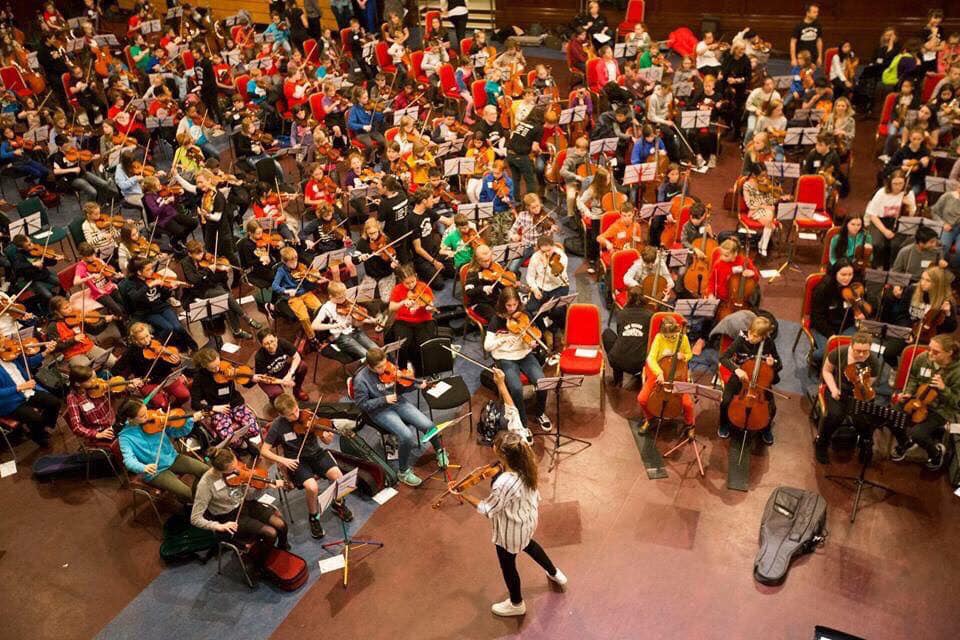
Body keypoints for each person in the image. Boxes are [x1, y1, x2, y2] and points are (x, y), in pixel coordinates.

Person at [454, 429, 567, 617]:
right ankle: (554, 573)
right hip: (527, 521)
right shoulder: (525, 464)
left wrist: (464, 494)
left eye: (495, 445)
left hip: (511, 532)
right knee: (530, 545)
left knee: (508, 567)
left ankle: (516, 604)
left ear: (502, 453)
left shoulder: (504, 483)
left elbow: (488, 509)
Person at [261, 393, 353, 539]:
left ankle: (338, 503)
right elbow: (264, 451)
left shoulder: (308, 415)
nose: (296, 415)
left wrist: (326, 437)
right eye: (291, 415)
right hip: (297, 461)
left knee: (339, 476)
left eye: (296, 410)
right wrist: (283, 460)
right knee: (312, 487)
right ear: (281, 415)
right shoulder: (277, 425)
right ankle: (313, 517)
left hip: (316, 454)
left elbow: (327, 442)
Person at [352, 347, 446, 487]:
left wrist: (416, 385)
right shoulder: (361, 380)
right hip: (380, 410)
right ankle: (403, 472)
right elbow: (362, 404)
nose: (384, 368)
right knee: (406, 436)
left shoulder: (389, 367)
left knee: (428, 425)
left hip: (397, 401)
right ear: (370, 366)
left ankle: (440, 450)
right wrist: (384, 399)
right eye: (379, 367)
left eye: (384, 364)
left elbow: (402, 386)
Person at [190, 448, 289, 559]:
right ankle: (260, 562)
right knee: (270, 533)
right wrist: (218, 526)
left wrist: (263, 486)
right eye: (232, 469)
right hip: (229, 517)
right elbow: (195, 519)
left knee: (281, 524)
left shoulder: (237, 471)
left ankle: (282, 549)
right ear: (220, 470)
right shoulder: (205, 485)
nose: (237, 470)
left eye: (236, 464)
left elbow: (249, 496)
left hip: (245, 505)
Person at [484, 287, 551, 431]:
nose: (512, 309)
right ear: (503, 304)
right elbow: (487, 346)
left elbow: (534, 333)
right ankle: (522, 422)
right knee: (516, 388)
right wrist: (503, 339)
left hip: (525, 355)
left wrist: (532, 343)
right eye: (508, 305)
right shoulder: (496, 320)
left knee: (542, 382)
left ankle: (540, 413)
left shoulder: (524, 315)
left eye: (515, 305)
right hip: (505, 358)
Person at [890, 333, 958, 471]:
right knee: (892, 416)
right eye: (929, 349)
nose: (930, 354)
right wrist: (909, 392)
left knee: (918, 434)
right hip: (917, 399)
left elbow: (956, 402)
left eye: (936, 352)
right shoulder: (923, 358)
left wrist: (943, 389)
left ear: (949, 353)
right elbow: (914, 377)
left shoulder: (957, 372)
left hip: (941, 408)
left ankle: (936, 453)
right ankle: (905, 442)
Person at [117, 399, 208, 501]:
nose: (148, 416)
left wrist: (190, 421)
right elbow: (128, 460)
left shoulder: (155, 418)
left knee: (205, 470)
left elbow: (176, 433)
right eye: (143, 416)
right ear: (130, 419)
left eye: (146, 412)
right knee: (187, 493)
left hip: (172, 458)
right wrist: (143, 467)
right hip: (156, 472)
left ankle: (198, 497)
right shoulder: (125, 437)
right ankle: (192, 501)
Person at [814, 331, 880, 465]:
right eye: (858, 351)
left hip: (859, 391)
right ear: (851, 345)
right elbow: (826, 371)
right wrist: (833, 389)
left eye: (865, 351)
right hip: (838, 389)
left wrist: (862, 387)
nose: (861, 355)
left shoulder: (873, 360)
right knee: (834, 416)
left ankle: (865, 445)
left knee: (865, 419)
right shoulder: (839, 352)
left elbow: (871, 380)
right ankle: (822, 443)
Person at [718, 316, 781, 444]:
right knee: (725, 401)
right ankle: (724, 424)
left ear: (763, 337)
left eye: (755, 336)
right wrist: (737, 370)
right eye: (751, 333)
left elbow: (779, 364)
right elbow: (723, 358)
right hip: (741, 377)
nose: (751, 337)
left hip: (760, 380)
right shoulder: (742, 339)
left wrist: (772, 363)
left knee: (772, 407)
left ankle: (766, 428)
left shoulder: (768, 343)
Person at [191, 348, 262, 453]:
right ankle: (243, 445)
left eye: (218, 365)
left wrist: (252, 379)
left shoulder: (226, 366)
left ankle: (245, 441)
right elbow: (194, 403)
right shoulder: (199, 378)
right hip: (218, 409)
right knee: (231, 440)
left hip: (235, 403)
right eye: (213, 368)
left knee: (255, 430)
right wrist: (213, 407)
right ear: (204, 366)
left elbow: (246, 385)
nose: (218, 369)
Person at [636, 316, 694, 435]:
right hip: (659, 372)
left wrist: (683, 356)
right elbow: (651, 358)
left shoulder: (683, 338)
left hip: (677, 374)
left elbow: (689, 354)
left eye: (673, 336)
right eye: (667, 337)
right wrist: (659, 373)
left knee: (687, 404)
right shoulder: (659, 338)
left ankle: (690, 424)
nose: (670, 339)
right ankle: (650, 418)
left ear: (677, 330)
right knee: (642, 399)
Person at [0, 339, 59, 447]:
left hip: (28, 392)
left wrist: (46, 352)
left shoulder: (11, 356)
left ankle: (40, 428)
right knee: (35, 418)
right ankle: (39, 436)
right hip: (10, 402)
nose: (6, 346)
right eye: (2, 346)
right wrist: (19, 387)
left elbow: (29, 363)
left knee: (54, 402)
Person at [809, 259, 863, 367]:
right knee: (826, 353)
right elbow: (816, 317)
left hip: (846, 325)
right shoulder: (823, 288)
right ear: (835, 273)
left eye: (850, 274)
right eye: (843, 275)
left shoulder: (854, 286)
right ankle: (812, 357)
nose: (847, 278)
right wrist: (830, 334)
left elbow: (858, 306)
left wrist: (859, 312)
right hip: (824, 327)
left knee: (855, 350)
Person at [387, 264, 438, 370]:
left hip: (423, 321)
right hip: (403, 322)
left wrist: (429, 308)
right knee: (401, 346)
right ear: (401, 280)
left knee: (424, 345)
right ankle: (402, 370)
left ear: (416, 276)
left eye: (413, 281)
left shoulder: (423, 287)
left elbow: (431, 307)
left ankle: (426, 369)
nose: (411, 285)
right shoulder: (397, 289)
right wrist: (402, 302)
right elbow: (391, 307)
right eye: (407, 283)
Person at [311, 281, 378, 359]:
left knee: (377, 350)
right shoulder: (326, 308)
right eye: (339, 298)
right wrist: (336, 325)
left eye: (344, 296)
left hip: (355, 331)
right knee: (367, 355)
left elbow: (355, 323)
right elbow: (314, 326)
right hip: (342, 337)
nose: (343, 299)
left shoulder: (347, 302)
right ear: (330, 296)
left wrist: (369, 321)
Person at [864, 169, 916, 269]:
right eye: (895, 184)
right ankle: (877, 266)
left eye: (901, 183)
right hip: (880, 220)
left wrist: (909, 205)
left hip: (899, 221)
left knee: (896, 245)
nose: (898, 187)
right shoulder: (881, 193)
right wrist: (885, 231)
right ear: (890, 183)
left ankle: (893, 268)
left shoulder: (908, 193)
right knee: (877, 244)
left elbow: (910, 216)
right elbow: (872, 215)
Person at [602, 286, 653, 387]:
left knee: (607, 333)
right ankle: (640, 375)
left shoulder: (622, 314)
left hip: (619, 362)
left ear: (628, 297)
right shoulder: (650, 315)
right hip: (641, 363)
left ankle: (618, 378)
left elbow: (620, 336)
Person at [272, 246, 324, 343]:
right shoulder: (281, 271)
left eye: (295, 260)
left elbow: (309, 280)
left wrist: (316, 280)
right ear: (284, 261)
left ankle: (322, 329)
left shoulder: (301, 266)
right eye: (291, 262)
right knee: (304, 317)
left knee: (320, 308)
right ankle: (312, 338)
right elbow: (274, 286)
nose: (295, 264)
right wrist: (286, 291)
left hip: (305, 292)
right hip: (293, 297)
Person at [252, 329, 309, 402]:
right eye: (266, 344)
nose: (271, 346)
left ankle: (297, 390)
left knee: (303, 366)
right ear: (262, 344)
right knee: (277, 393)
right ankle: (275, 402)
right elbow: (263, 378)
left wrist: (289, 374)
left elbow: (296, 356)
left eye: (272, 341)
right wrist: (282, 381)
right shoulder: (259, 357)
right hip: (268, 378)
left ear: (276, 338)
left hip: (282, 369)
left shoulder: (282, 343)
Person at [931, 181, 960, 270]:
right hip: (948, 227)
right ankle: (939, 269)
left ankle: (953, 269)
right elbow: (934, 211)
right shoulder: (947, 196)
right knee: (944, 246)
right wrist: (943, 224)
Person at [790, 3, 823, 67]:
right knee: (800, 73)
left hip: (813, 56)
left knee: (810, 73)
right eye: (814, 12)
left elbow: (819, 41)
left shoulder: (818, 25)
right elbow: (793, 42)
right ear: (808, 13)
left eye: (817, 12)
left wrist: (820, 57)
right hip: (801, 58)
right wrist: (793, 58)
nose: (817, 14)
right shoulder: (799, 26)